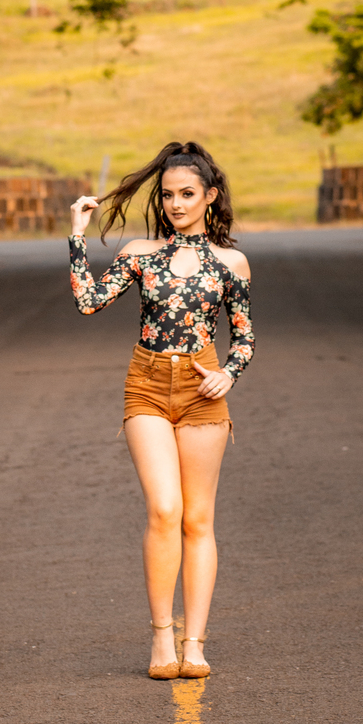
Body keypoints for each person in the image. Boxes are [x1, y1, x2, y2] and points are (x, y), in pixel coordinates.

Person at [68, 140, 254, 681]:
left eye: (188, 194)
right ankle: (161, 639)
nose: (175, 204)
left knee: (198, 519)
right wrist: (78, 237)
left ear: (210, 197)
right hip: (146, 385)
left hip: (202, 390)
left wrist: (228, 374)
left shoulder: (231, 263)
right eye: (168, 195)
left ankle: (194, 644)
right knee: (164, 510)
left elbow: (243, 337)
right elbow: (88, 301)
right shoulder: (139, 254)